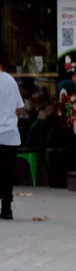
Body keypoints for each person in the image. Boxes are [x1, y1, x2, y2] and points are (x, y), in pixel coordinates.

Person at [0, 62, 23, 221]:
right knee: (7, 172)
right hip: (9, 135)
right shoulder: (11, 81)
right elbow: (19, 108)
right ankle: (7, 208)